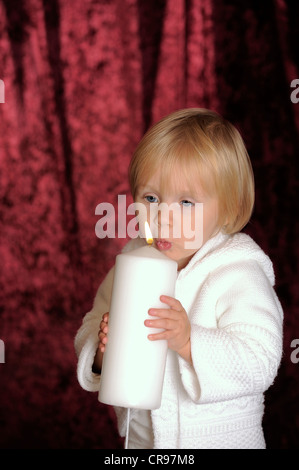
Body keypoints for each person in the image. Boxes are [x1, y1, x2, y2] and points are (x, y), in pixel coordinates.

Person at [74, 108, 283, 449]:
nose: (163, 218)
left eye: (186, 202)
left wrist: (189, 341)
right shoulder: (131, 264)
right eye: (151, 198)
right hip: (145, 442)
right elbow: (92, 323)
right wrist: (100, 350)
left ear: (228, 209)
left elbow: (260, 359)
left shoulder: (238, 273)